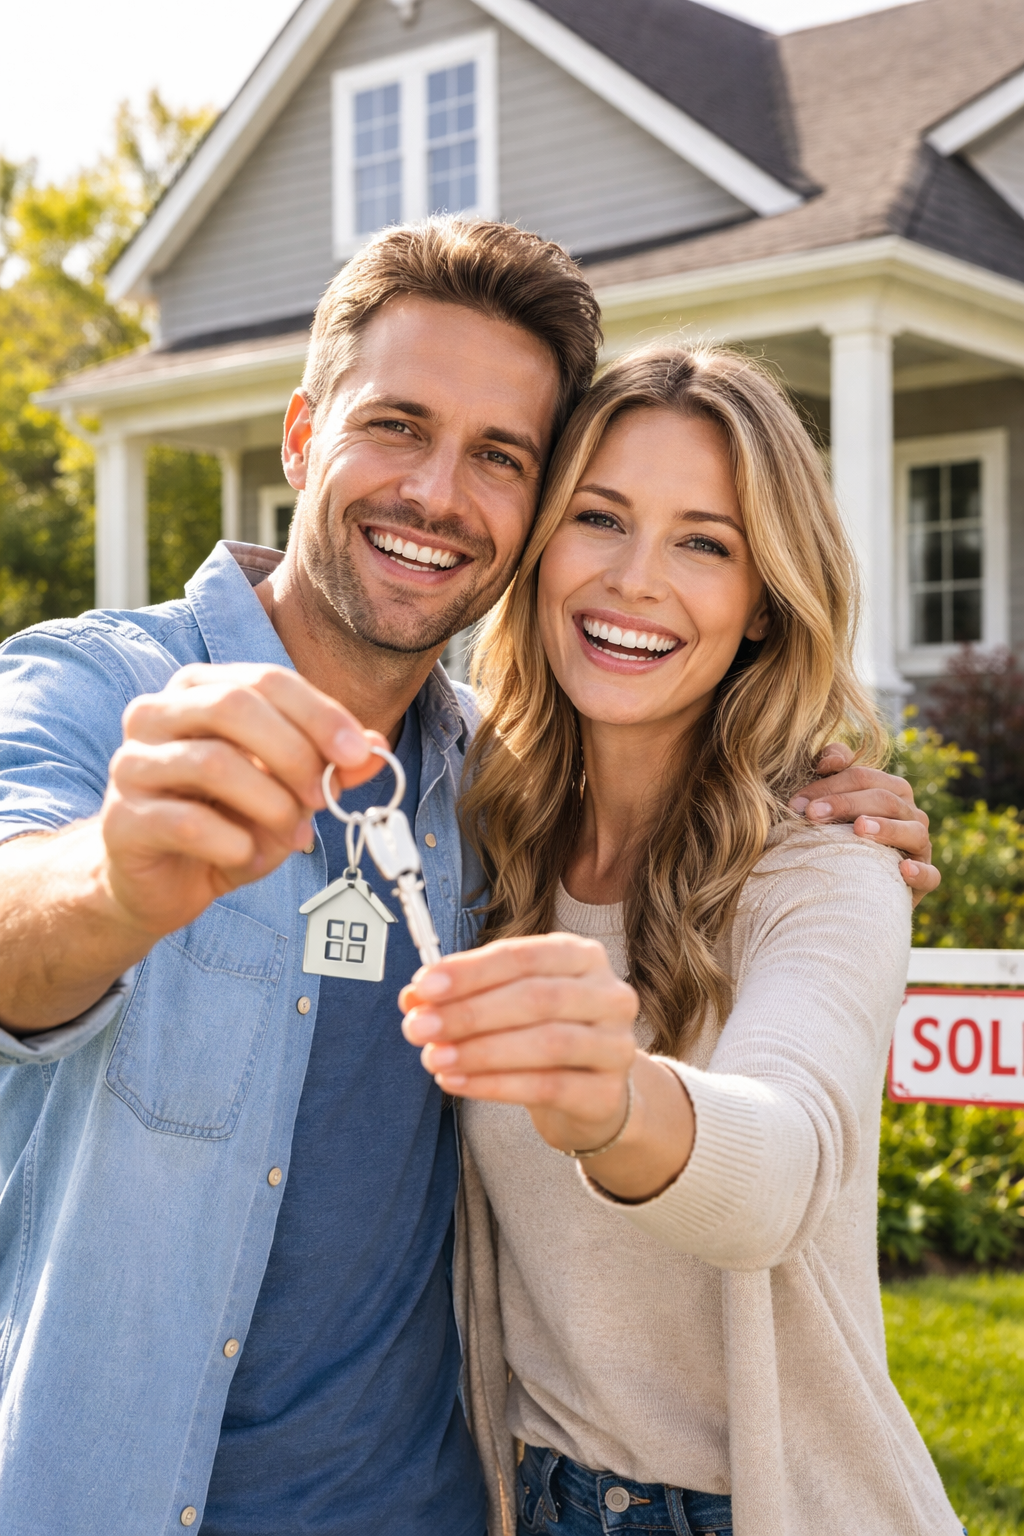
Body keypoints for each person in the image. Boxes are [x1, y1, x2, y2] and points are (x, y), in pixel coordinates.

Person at [0, 221, 935, 1536]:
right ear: (298, 437)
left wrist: (622, 1088)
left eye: (500, 458)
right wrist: (115, 880)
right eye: (397, 426)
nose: (440, 494)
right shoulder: (104, 699)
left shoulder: (498, 798)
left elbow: (783, 1157)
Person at [399, 344, 964, 1536]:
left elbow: (778, 1167)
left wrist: (613, 1099)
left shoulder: (827, 865)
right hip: (532, 1499)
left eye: (704, 541)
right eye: (599, 518)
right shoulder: (472, 835)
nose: (635, 580)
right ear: (542, 544)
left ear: (763, 600)